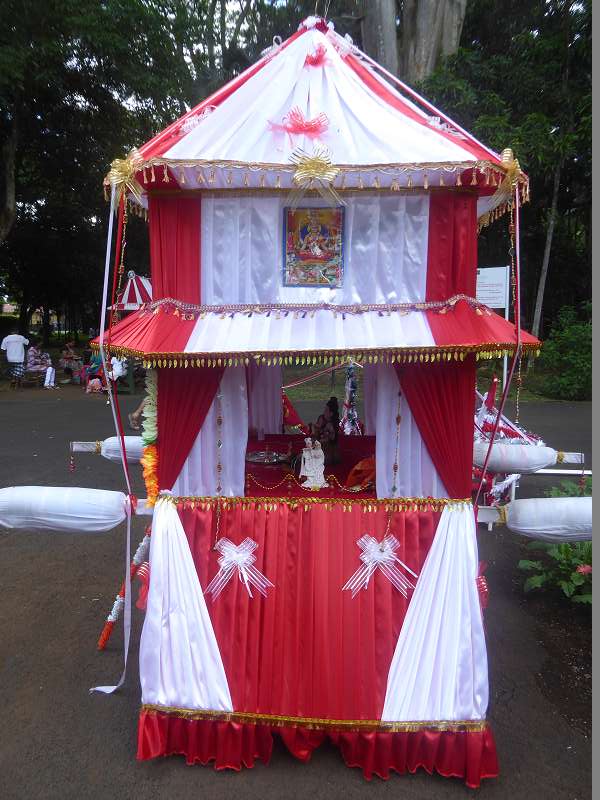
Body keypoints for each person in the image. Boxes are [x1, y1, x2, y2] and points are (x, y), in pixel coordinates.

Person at [309, 396, 340, 465]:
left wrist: (320, 439)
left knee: (327, 459)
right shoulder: (321, 418)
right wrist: (313, 428)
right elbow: (316, 428)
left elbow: (331, 439)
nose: (324, 412)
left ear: (331, 414)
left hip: (329, 447)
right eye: (324, 410)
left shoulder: (332, 424)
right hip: (319, 444)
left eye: (326, 410)